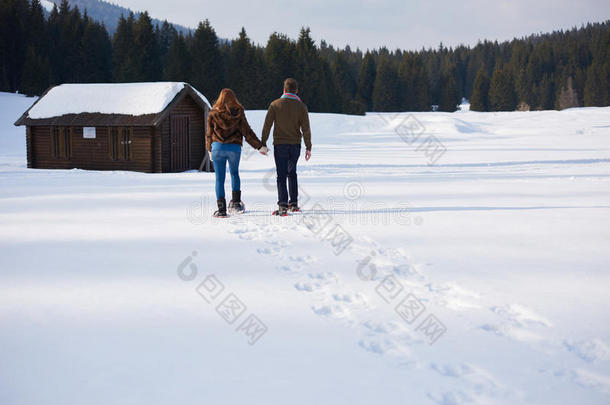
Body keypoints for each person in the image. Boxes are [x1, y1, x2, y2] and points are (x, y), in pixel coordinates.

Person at [206, 88, 268, 218]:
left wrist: (209, 149)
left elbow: (209, 134)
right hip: (234, 148)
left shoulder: (212, 113)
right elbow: (247, 132)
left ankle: (221, 210)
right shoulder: (239, 113)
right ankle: (235, 204)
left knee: (219, 179)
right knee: (234, 174)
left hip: (218, 148)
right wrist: (260, 147)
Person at [261, 78, 312, 216]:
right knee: (292, 173)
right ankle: (294, 203)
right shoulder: (302, 107)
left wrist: (263, 143)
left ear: (284, 90)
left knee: (281, 175)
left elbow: (267, 125)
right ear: (296, 90)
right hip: (295, 145)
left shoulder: (275, 104)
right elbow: (306, 129)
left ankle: (283, 205)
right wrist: (308, 147)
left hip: (280, 145)